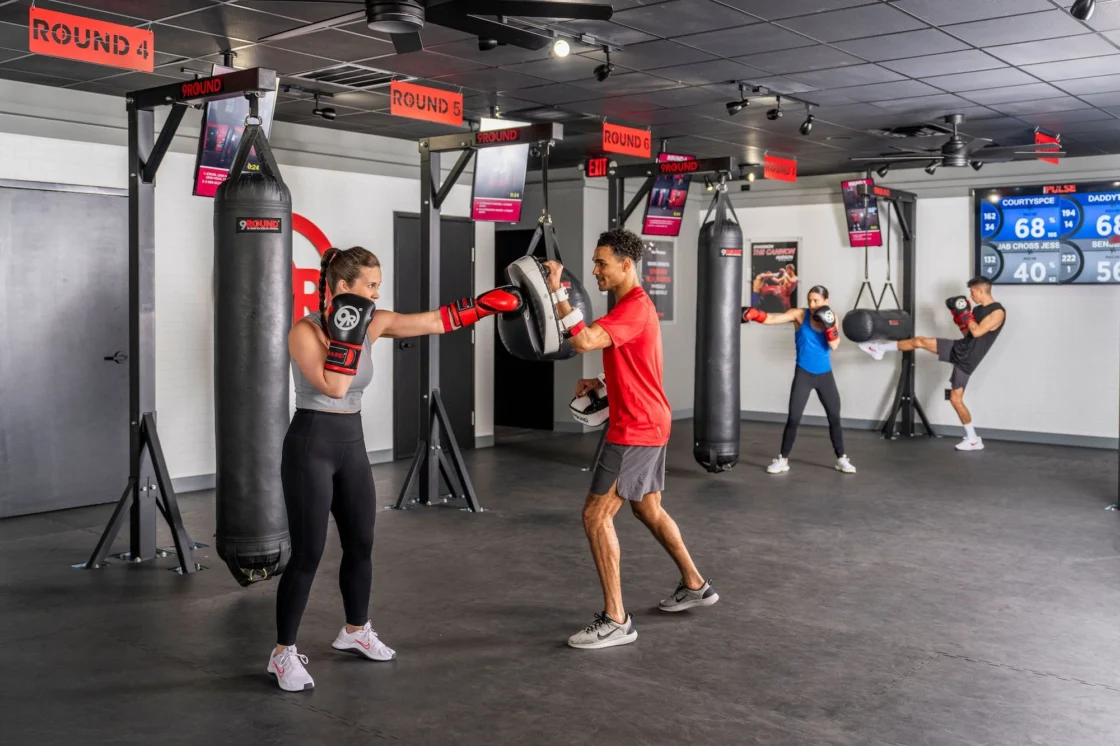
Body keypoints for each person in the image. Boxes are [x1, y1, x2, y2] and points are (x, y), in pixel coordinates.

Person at [268, 246, 520, 691]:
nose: (375, 293)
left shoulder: (376, 322)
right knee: (308, 553)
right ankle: (282, 654)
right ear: (342, 288)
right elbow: (333, 386)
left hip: (351, 443)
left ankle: (355, 630)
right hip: (311, 444)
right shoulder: (304, 332)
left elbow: (433, 321)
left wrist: (481, 306)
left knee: (361, 542)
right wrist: (347, 331)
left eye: (377, 286)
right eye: (369, 286)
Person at [542, 228, 718, 651]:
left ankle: (616, 619)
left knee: (595, 516)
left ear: (626, 265)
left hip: (635, 428)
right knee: (648, 508)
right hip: (648, 420)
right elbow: (636, 364)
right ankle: (695, 584)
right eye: (595, 262)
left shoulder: (634, 307)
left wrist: (557, 291)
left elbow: (582, 339)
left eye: (601, 263)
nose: (595, 270)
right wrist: (601, 382)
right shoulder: (631, 308)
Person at [859, 276, 1005, 452]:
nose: (971, 296)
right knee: (919, 341)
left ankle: (973, 439)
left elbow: (977, 332)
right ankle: (879, 349)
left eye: (972, 292)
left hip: (968, 359)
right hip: (960, 347)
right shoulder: (980, 310)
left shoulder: (998, 312)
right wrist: (958, 317)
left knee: (955, 399)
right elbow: (967, 332)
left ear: (981, 290)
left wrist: (965, 312)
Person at [742, 285, 856, 475]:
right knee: (794, 418)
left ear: (825, 301)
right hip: (804, 373)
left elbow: (835, 345)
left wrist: (828, 327)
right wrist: (755, 314)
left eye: (816, 301)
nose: (811, 304)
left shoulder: (832, 316)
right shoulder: (799, 315)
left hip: (825, 375)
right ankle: (782, 459)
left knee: (834, 417)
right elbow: (773, 318)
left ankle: (841, 458)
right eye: (809, 300)